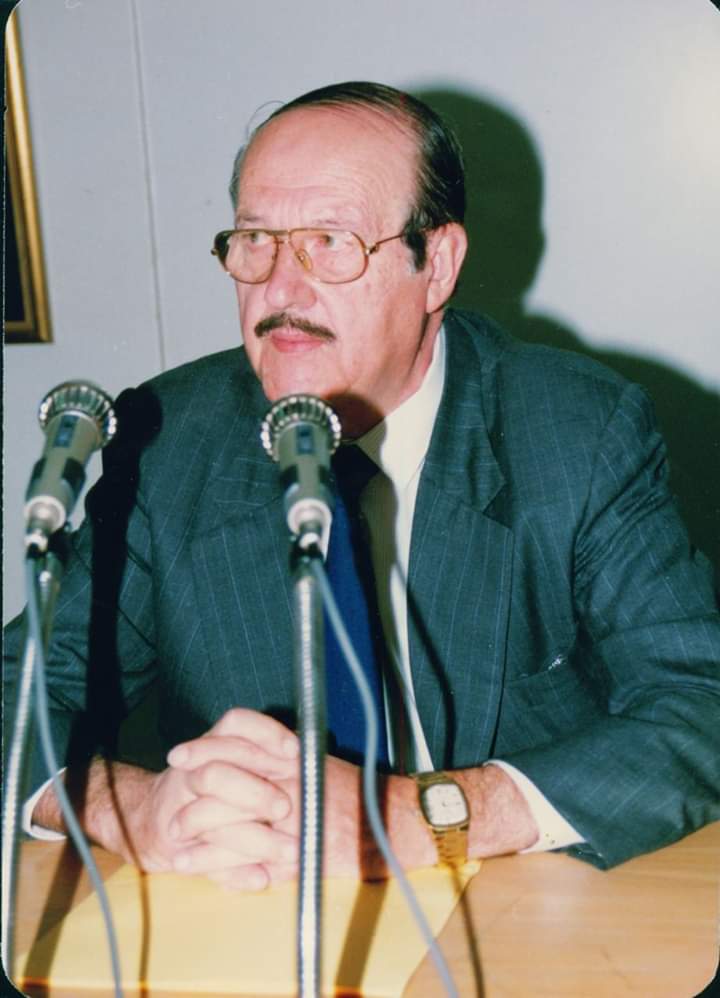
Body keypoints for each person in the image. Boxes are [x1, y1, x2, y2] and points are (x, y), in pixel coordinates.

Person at [4, 82, 719, 893]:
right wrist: (131, 807)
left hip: (523, 908)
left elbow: (700, 703)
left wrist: (420, 817)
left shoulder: (574, 431)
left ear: (436, 266)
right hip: (255, 912)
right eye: (256, 240)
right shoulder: (170, 442)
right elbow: (15, 693)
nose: (280, 290)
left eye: (330, 242)